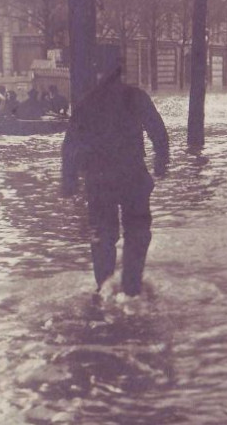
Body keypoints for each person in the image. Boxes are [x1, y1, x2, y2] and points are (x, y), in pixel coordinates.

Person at [61, 66, 169, 296]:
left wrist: (69, 180)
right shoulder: (135, 96)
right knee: (137, 231)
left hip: (99, 180)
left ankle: (104, 286)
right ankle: (132, 285)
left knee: (102, 234)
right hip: (133, 177)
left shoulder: (86, 102)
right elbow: (158, 131)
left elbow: (70, 144)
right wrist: (161, 161)